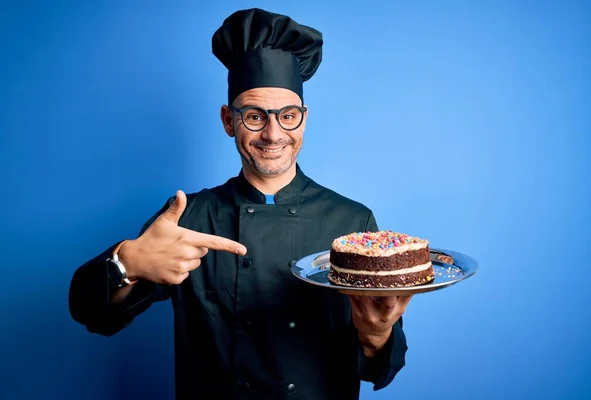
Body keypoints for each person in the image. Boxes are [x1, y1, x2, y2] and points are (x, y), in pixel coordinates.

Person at [69, 8, 413, 400]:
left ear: (303, 119)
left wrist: (377, 334)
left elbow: (382, 372)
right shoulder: (188, 217)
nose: (273, 134)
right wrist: (127, 263)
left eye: (287, 116)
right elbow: (90, 313)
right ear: (228, 121)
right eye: (254, 116)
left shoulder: (352, 222)